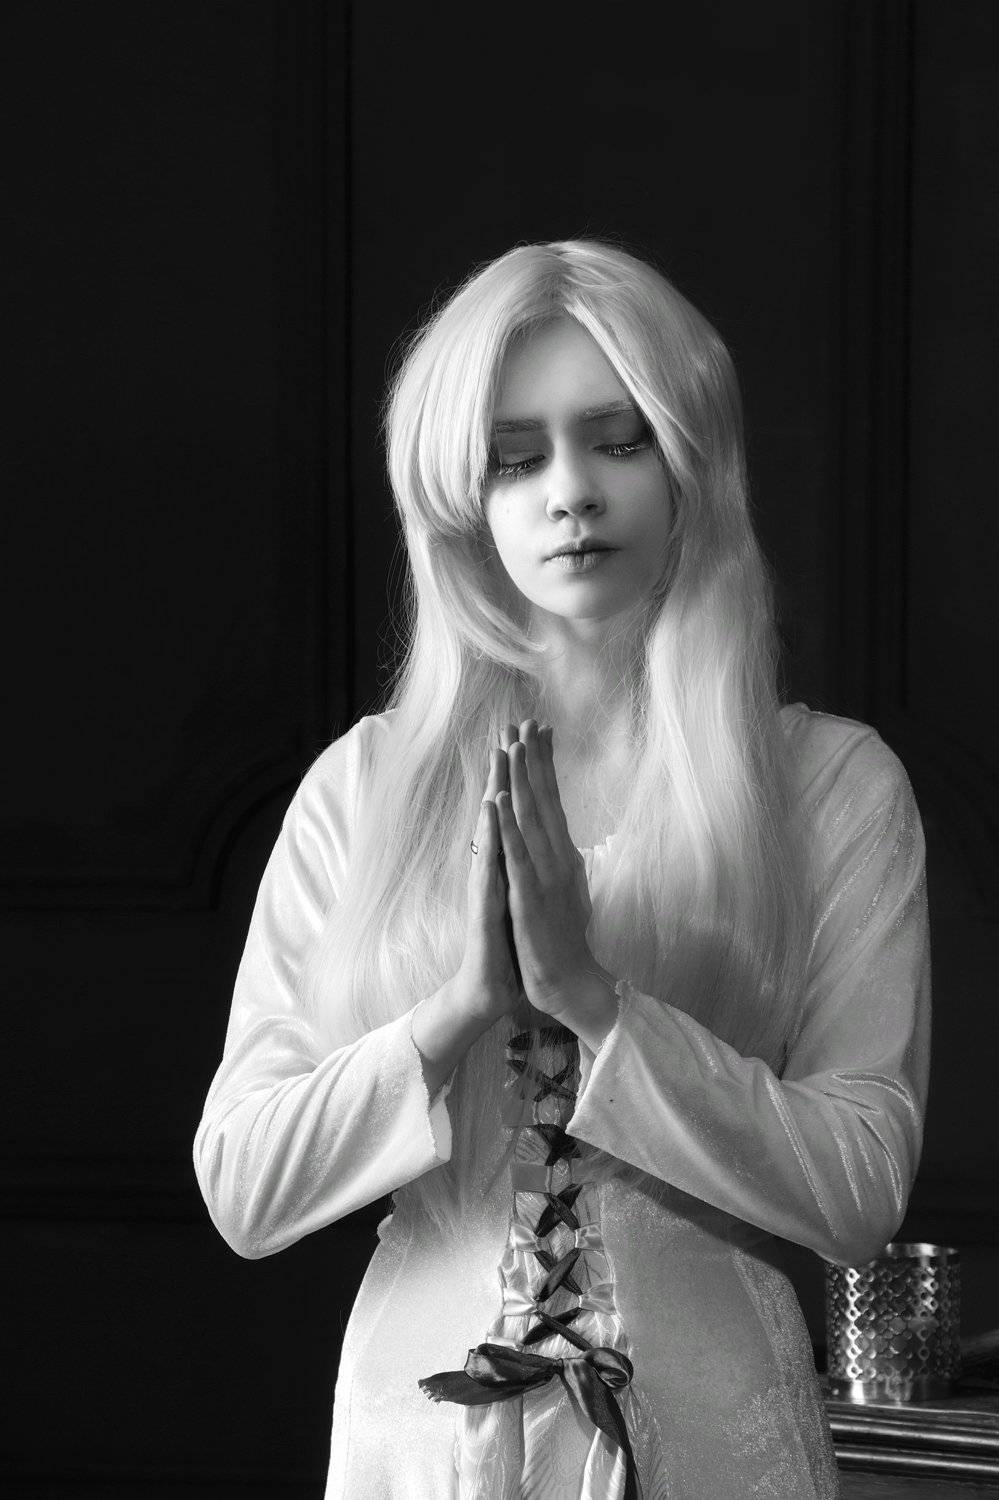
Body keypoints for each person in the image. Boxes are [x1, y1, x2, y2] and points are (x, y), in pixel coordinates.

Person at [193, 238, 930, 1499]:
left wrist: (595, 999)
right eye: (514, 458)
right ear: (458, 499)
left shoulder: (831, 786)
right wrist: (456, 1009)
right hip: (416, 1451)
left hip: (718, 1444)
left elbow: (860, 1190)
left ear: (691, 460)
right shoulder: (363, 789)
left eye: (618, 440)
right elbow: (245, 1187)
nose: (572, 493)